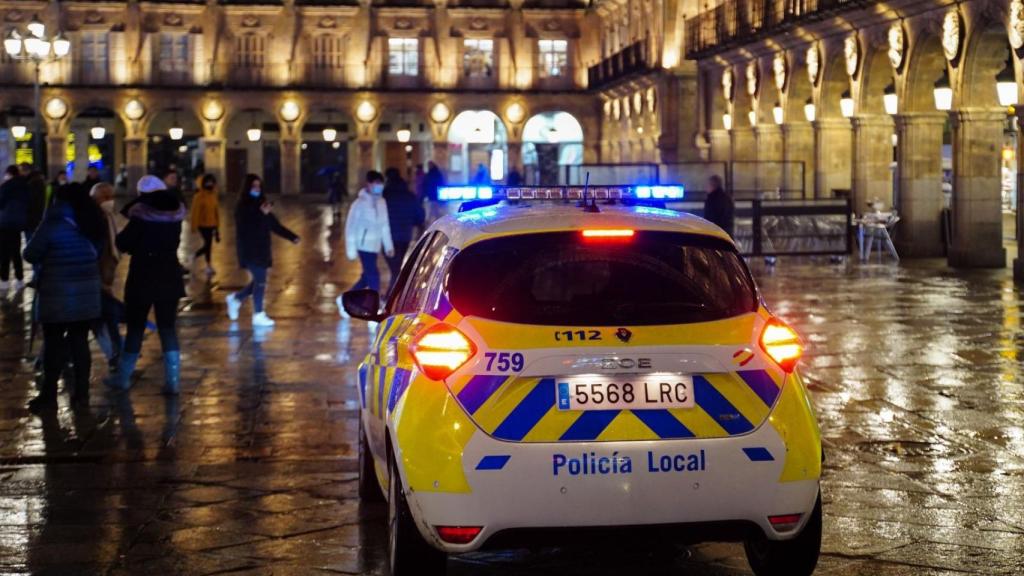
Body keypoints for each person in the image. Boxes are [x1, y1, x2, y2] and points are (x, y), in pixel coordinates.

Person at [22, 182, 104, 412]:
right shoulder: (92, 221)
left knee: (53, 344)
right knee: (80, 343)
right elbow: (98, 251)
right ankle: (82, 394)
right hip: (86, 294)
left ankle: (49, 396)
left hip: (56, 293)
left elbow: (30, 253)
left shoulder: (53, 222)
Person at [108, 175, 187, 395]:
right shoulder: (175, 216)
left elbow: (123, 242)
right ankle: (173, 381)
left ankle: (123, 378)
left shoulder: (141, 216)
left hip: (142, 274)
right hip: (169, 273)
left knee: (135, 326)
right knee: (168, 327)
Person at [226, 174, 300, 327]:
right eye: (254, 186)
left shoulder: (262, 204)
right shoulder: (242, 206)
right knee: (260, 281)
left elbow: (274, 225)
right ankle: (258, 314)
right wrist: (261, 214)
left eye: (259, 186)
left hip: (262, 249)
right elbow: (246, 226)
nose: (257, 189)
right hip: (249, 249)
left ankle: (236, 299)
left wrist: (292, 237)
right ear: (248, 187)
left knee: (258, 281)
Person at [337, 171, 393, 317]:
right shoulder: (359, 203)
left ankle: (344, 299)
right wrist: (351, 249)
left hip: (375, 246)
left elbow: (385, 225)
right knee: (374, 276)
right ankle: (375, 310)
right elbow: (350, 226)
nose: (379, 187)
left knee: (366, 277)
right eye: (376, 184)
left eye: (381, 184)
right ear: (369, 184)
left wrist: (388, 246)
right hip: (363, 245)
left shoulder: (382, 202)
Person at [89, 182, 123, 370]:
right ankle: (115, 353)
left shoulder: (107, 216)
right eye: (107, 197)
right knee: (100, 319)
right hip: (98, 278)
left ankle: (116, 352)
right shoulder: (97, 218)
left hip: (103, 277)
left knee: (103, 318)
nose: (111, 201)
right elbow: (104, 252)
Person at [382, 167, 425, 293]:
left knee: (394, 268)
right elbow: (420, 215)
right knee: (397, 265)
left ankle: (393, 295)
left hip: (388, 238)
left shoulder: (385, 196)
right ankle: (395, 293)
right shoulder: (409, 195)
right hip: (405, 236)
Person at [0, 165, 29, 289]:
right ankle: (20, 279)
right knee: (16, 252)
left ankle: (4, 280)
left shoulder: (6, 186)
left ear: (9, 174)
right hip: (18, 223)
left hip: (5, 223)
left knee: (4, 253)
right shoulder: (25, 186)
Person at [190, 173, 220, 275]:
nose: (210, 184)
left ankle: (199, 259)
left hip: (212, 224)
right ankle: (206, 264)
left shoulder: (213, 195)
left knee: (208, 245)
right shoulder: (199, 196)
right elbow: (195, 212)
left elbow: (216, 212)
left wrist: (217, 227)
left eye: (211, 182)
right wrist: (193, 226)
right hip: (202, 225)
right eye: (207, 182)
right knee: (208, 245)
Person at [703, 175, 735, 239]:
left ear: (712, 185)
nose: (706, 188)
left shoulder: (711, 199)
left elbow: (709, 218)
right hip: (727, 233)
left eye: (707, 185)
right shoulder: (727, 197)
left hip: (715, 233)